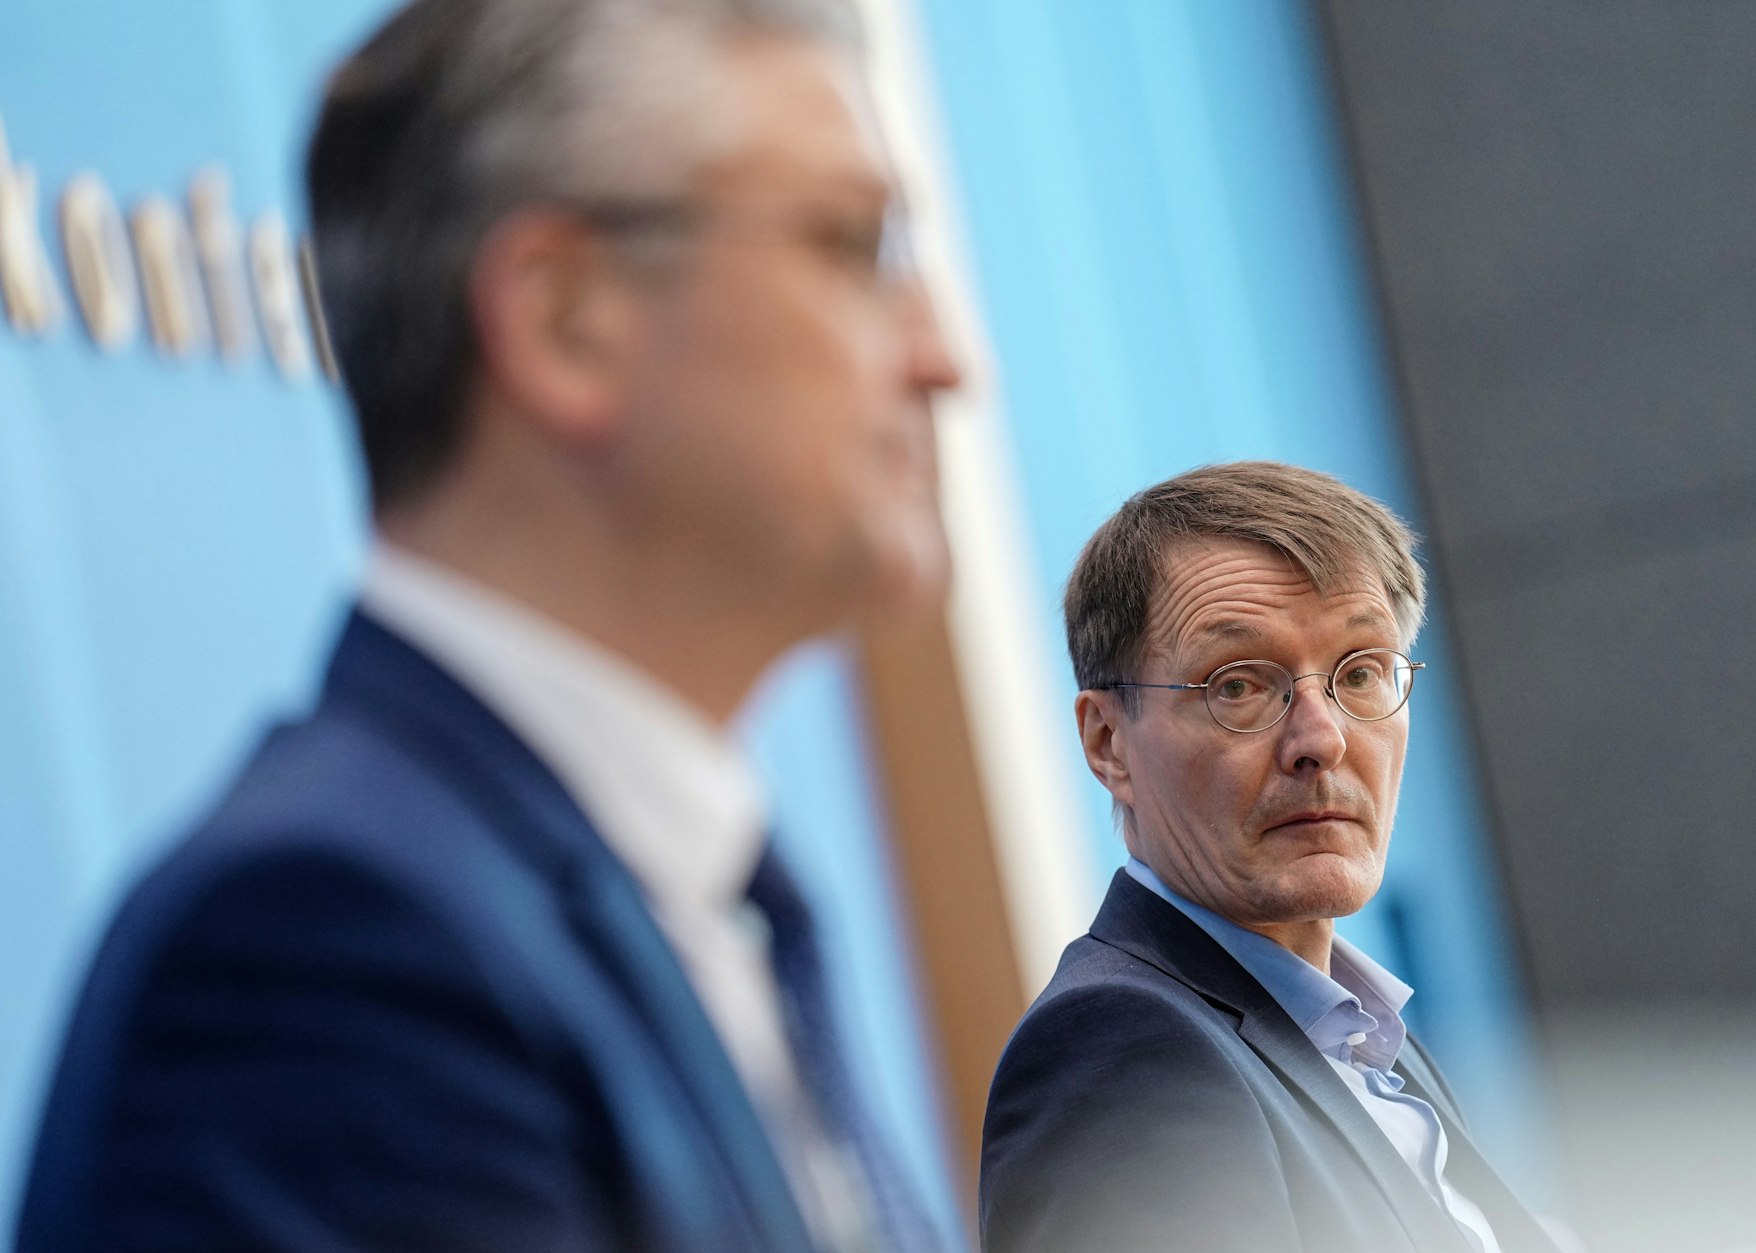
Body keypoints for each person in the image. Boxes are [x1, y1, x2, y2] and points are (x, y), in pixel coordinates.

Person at [16, 0, 960, 1250]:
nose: (942, 356)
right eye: (853, 244)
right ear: (564, 319)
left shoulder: (712, 898)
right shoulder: (326, 956)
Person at [979, 462, 1559, 1253]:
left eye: (1360, 672)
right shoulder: (1125, 1051)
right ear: (1108, 742)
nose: (1322, 739)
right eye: (1240, 684)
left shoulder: (1359, 1036)